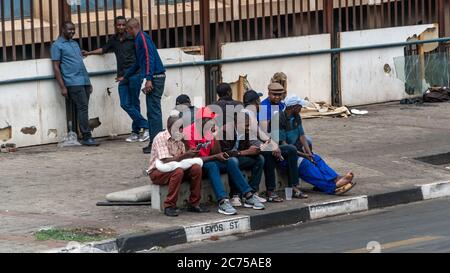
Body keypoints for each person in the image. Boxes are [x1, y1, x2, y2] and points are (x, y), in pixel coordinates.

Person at [183, 107, 265, 215]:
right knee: (213, 165)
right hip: (195, 165)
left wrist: (214, 136)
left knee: (230, 161)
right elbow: (193, 159)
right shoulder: (189, 132)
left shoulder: (208, 131)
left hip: (208, 161)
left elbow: (216, 152)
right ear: (202, 121)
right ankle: (222, 201)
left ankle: (248, 194)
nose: (213, 122)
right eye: (210, 120)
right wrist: (216, 157)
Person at [82, 16, 149, 143]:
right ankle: (145, 126)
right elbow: (103, 49)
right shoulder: (113, 40)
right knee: (125, 104)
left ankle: (136, 132)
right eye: (119, 25)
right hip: (122, 77)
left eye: (123, 25)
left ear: (127, 26)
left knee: (135, 103)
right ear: (115, 26)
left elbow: (142, 56)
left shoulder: (133, 38)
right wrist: (89, 53)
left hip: (135, 74)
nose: (121, 27)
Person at [278, 96, 356, 195]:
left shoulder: (296, 116)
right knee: (306, 165)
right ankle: (332, 187)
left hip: (298, 152)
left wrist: (309, 153)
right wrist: (304, 155)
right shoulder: (280, 119)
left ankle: (336, 179)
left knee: (316, 159)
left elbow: (302, 136)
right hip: (286, 155)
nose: (301, 108)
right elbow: (285, 145)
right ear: (293, 107)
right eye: (299, 106)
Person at [243, 90, 302, 201]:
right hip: (250, 148)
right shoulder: (247, 113)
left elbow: (261, 134)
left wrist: (273, 144)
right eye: (259, 101)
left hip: (259, 145)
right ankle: (270, 191)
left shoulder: (251, 112)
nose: (260, 103)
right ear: (256, 101)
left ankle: (294, 186)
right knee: (270, 154)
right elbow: (256, 136)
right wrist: (272, 146)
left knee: (291, 149)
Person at [118, 18, 166, 154]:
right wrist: (125, 76)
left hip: (155, 77)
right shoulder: (140, 39)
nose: (127, 33)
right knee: (152, 112)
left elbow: (148, 58)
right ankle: (153, 142)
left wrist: (149, 79)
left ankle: (156, 144)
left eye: (127, 30)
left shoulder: (142, 38)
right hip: (155, 76)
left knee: (154, 112)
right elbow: (139, 63)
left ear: (131, 28)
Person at [147, 114, 209, 217]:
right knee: (178, 171)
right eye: (178, 128)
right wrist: (186, 155)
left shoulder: (180, 138)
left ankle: (194, 203)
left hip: (175, 168)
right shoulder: (161, 137)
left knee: (196, 168)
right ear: (170, 127)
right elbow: (165, 160)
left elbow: (183, 159)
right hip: (157, 172)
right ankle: (169, 205)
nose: (181, 131)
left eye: (181, 128)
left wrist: (189, 150)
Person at [51, 21, 98, 146]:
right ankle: (87, 136)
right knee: (83, 108)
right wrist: (62, 87)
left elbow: (80, 63)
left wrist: (88, 82)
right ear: (62, 29)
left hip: (84, 81)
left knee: (83, 108)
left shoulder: (74, 43)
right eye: (69, 29)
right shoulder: (57, 45)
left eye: (73, 29)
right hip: (72, 82)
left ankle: (81, 134)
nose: (72, 31)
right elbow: (56, 67)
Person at [221, 111, 266, 207]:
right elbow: (225, 154)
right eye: (246, 125)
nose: (248, 127)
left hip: (238, 157)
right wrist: (245, 152)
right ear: (238, 123)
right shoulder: (226, 131)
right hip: (224, 161)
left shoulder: (245, 131)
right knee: (234, 161)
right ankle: (235, 195)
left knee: (260, 158)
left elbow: (255, 145)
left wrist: (257, 149)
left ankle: (253, 192)